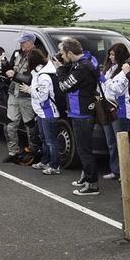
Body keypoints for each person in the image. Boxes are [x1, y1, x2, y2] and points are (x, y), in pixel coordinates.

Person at [55, 38, 101, 196]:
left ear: (69, 53)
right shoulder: (87, 60)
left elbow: (64, 86)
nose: (61, 57)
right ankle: (86, 176)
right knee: (83, 149)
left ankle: (92, 185)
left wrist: (60, 69)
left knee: (84, 150)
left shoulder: (82, 67)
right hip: (80, 111)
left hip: (82, 113)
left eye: (62, 54)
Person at [2, 32, 42, 165]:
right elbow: (9, 70)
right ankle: (12, 152)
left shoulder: (37, 57)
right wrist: (5, 65)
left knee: (30, 125)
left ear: (31, 42)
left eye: (23, 42)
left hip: (26, 96)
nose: (21, 45)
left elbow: (33, 79)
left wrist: (15, 76)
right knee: (9, 125)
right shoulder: (16, 53)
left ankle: (32, 151)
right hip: (13, 93)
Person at [25, 48, 62, 175]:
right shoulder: (39, 72)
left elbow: (42, 96)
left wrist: (29, 90)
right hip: (41, 111)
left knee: (51, 141)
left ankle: (55, 165)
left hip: (48, 112)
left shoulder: (44, 76)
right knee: (45, 139)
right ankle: (45, 161)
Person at [100, 44, 130, 180]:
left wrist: (105, 80)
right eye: (110, 54)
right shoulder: (110, 69)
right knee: (110, 142)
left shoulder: (125, 70)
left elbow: (118, 89)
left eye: (113, 54)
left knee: (121, 142)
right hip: (107, 108)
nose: (110, 57)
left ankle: (125, 171)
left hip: (120, 110)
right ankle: (115, 170)